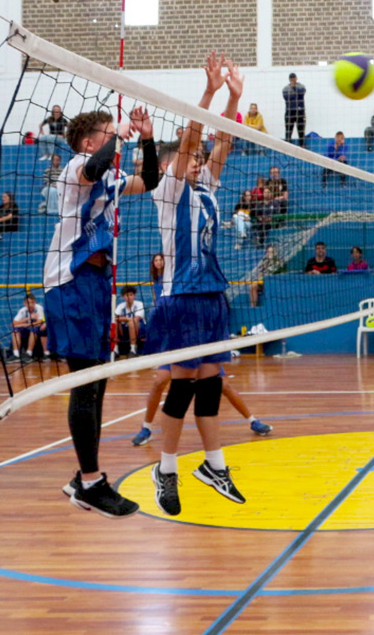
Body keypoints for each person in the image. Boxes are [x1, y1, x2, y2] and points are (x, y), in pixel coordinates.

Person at [147, 54, 247, 516]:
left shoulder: (206, 186)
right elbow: (192, 138)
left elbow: (221, 140)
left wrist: (234, 97)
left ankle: (214, 465)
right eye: (189, 159)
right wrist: (207, 94)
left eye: (199, 161)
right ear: (173, 164)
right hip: (181, 298)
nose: (197, 162)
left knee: (210, 384)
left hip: (211, 297)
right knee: (183, 386)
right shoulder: (168, 191)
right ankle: (166, 469)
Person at [48, 101, 158, 518]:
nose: (115, 138)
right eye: (108, 133)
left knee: (100, 380)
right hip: (70, 280)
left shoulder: (110, 175)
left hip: (97, 283)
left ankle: (85, 478)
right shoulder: (76, 167)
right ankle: (90, 481)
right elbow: (93, 168)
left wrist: (145, 137)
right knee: (85, 381)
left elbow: (149, 179)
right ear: (90, 140)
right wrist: (120, 134)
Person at [134, 247, 274, 448]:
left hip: (199, 337)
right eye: (156, 260)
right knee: (160, 381)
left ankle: (252, 420)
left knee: (223, 384)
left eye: (161, 259)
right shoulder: (159, 286)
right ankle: (146, 427)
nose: (159, 262)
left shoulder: (197, 282)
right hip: (175, 339)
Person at [11, 292, 47, 361]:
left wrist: (24, 324)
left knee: (34, 329)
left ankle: (29, 353)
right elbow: (14, 323)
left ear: (35, 302)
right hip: (26, 329)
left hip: (37, 330)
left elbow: (39, 322)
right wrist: (28, 318)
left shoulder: (39, 308)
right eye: (28, 303)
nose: (30, 305)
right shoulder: (22, 310)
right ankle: (16, 354)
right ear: (24, 303)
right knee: (15, 330)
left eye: (32, 302)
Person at [113, 285, 145, 356]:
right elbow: (114, 318)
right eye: (126, 295)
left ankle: (133, 349)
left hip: (138, 329)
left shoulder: (139, 304)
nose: (129, 297)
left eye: (131, 295)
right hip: (124, 330)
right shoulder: (121, 306)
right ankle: (115, 349)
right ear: (123, 296)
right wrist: (127, 319)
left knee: (131, 322)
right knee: (114, 323)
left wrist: (125, 319)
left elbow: (136, 318)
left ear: (134, 295)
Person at [282, 72, 306, 146]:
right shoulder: (285, 89)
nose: (293, 79)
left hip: (300, 112)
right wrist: (295, 94)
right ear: (289, 79)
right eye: (291, 78)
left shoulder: (301, 86)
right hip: (290, 112)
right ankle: (287, 145)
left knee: (301, 129)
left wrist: (294, 88)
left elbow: (301, 93)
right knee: (288, 129)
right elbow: (287, 98)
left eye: (294, 78)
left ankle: (302, 145)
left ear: (296, 78)